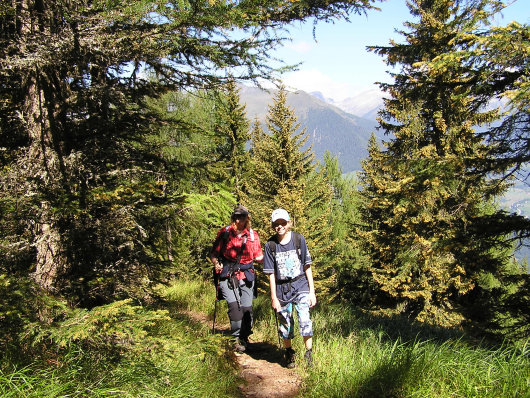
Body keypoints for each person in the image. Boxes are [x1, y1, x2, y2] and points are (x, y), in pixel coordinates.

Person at [263, 208, 317, 368]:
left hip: (300, 285)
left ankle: (309, 354)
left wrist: (312, 292)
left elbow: (307, 266)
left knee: (305, 319)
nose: (280, 226)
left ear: (288, 223)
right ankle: (289, 352)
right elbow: (271, 273)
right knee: (285, 322)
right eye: (276, 224)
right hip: (281, 289)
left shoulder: (299, 240)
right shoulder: (270, 245)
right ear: (273, 225)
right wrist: (273, 297)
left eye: (283, 223)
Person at [210, 204, 263, 352]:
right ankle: (235, 338)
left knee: (247, 309)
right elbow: (213, 253)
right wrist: (216, 264)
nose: (239, 219)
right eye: (237, 216)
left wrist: (270, 259)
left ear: (247, 218)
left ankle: (244, 337)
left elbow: (258, 256)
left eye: (243, 216)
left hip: (247, 275)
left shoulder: (253, 235)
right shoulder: (225, 233)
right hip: (228, 274)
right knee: (234, 308)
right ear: (233, 217)